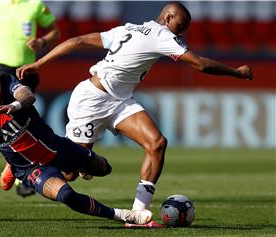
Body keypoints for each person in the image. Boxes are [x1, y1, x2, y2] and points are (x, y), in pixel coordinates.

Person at [16, 1, 253, 213]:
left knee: (157, 143)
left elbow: (77, 41)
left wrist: (39, 63)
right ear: (168, 18)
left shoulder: (127, 28)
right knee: (69, 173)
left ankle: (138, 213)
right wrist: (237, 73)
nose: (180, 35)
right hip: (91, 100)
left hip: (119, 101)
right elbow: (200, 64)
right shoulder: (162, 35)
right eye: (179, 27)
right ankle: (27, 163)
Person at [0, 62, 156, 227]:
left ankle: (79, 168)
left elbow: (28, 95)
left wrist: (14, 105)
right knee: (66, 194)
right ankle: (124, 215)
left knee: (104, 168)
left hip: (56, 146)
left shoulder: (7, 83)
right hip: (30, 168)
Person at [0, 0, 61, 196]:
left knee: (23, 121)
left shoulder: (35, 5)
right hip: (2, 69)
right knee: (5, 122)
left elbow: (55, 32)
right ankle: (8, 161)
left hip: (27, 70)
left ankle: (16, 170)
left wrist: (42, 41)